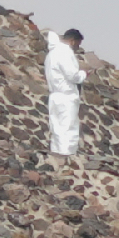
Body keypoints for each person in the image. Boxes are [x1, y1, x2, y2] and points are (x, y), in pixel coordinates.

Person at [44, 28, 87, 156]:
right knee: (68, 129)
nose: (77, 48)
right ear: (73, 41)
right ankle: (67, 156)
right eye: (78, 44)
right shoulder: (65, 52)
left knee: (57, 129)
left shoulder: (51, 54)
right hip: (66, 95)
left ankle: (56, 154)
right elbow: (72, 75)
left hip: (54, 95)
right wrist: (84, 74)